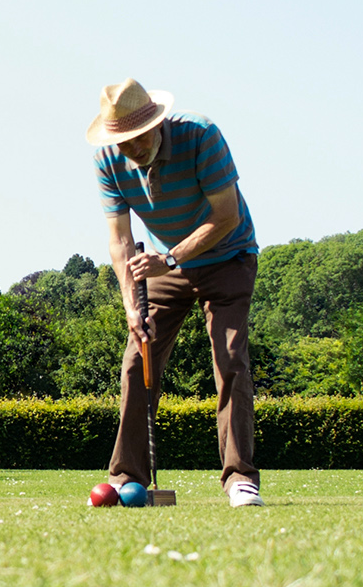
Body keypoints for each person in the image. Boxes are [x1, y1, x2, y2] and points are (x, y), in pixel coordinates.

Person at [87, 79, 263, 506]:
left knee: (230, 358)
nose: (131, 149)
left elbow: (226, 215)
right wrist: (132, 303)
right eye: (122, 142)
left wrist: (169, 259)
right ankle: (128, 477)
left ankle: (240, 478)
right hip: (165, 265)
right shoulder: (109, 157)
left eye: (137, 138)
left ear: (157, 123)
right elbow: (120, 241)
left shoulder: (202, 136)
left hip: (227, 256)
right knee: (136, 359)